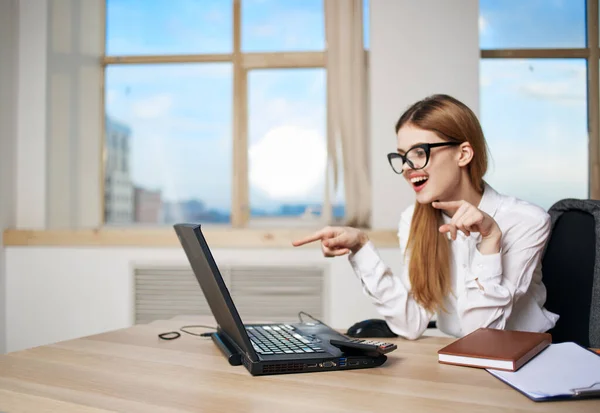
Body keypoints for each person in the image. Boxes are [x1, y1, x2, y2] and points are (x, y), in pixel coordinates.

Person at [292, 94, 559, 340]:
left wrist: (489, 242)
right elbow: (410, 323)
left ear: (463, 153)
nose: (408, 167)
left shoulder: (525, 220)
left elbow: (480, 337)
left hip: (522, 360)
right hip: (457, 360)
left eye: (420, 152)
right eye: (402, 157)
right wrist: (360, 247)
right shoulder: (413, 219)